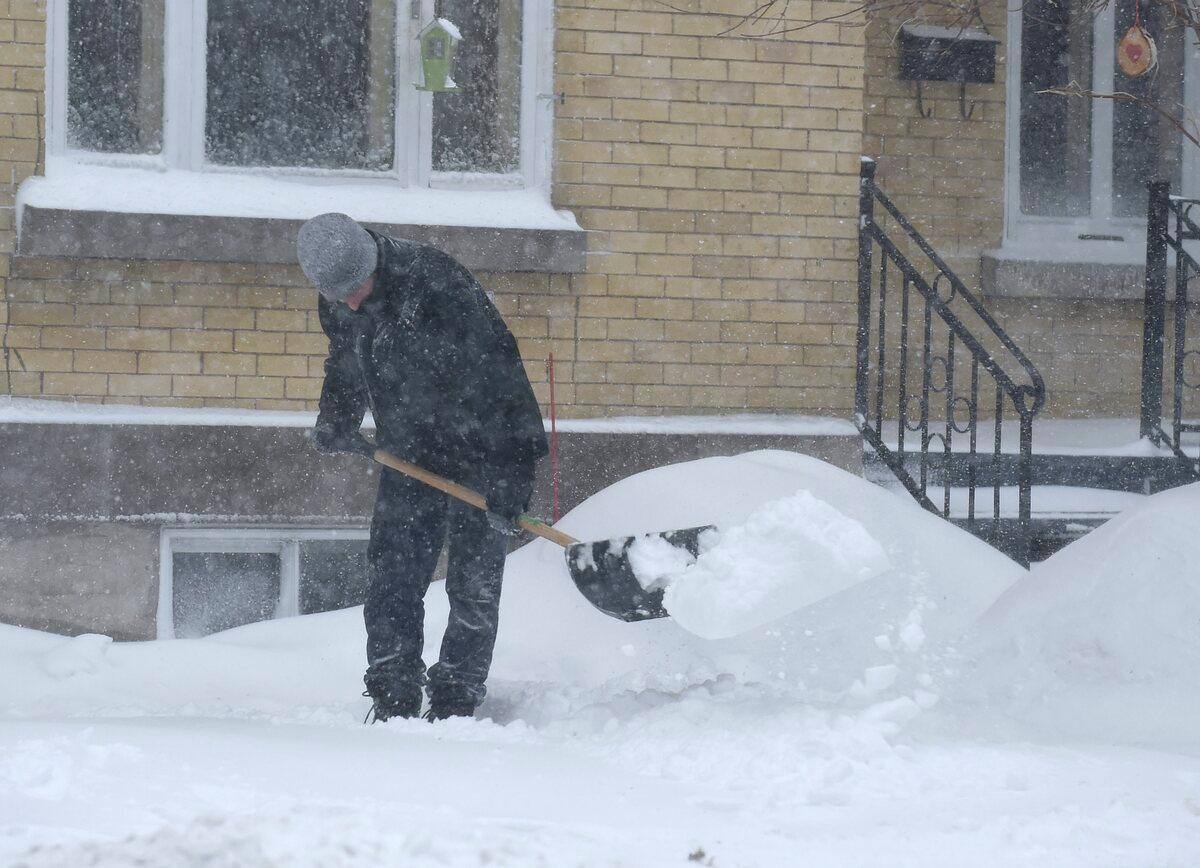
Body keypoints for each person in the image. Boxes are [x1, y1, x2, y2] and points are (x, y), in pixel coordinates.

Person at [296, 213, 548, 722]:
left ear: (373, 262)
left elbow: (502, 369)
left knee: (473, 585)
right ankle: (393, 691)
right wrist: (337, 417)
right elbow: (344, 360)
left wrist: (513, 471)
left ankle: (456, 697)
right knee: (393, 577)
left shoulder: (436, 282)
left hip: (479, 454)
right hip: (407, 457)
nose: (347, 303)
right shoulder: (341, 301)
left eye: (354, 289)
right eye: (334, 294)